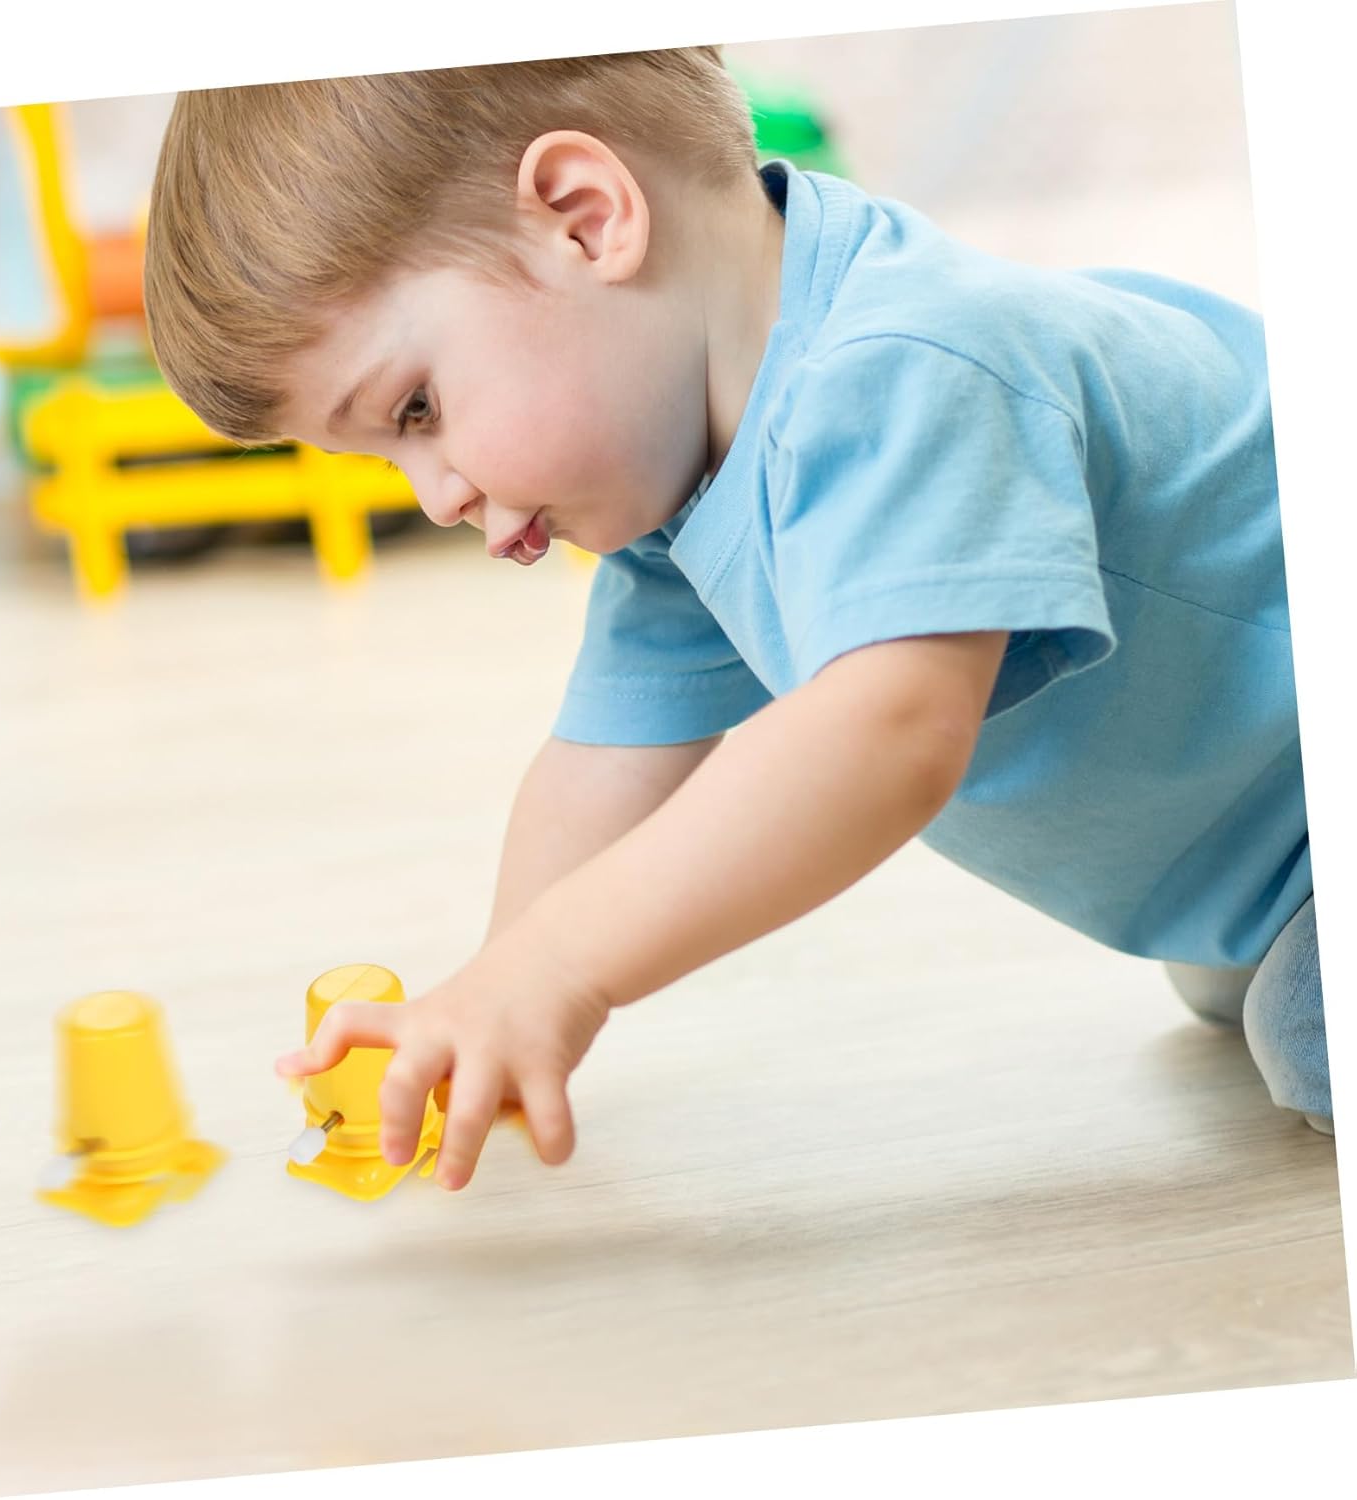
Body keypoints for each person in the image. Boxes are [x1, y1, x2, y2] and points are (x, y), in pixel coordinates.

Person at [142, 47, 1330, 1191]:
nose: (437, 498)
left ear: (584, 219)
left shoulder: (905, 366)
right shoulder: (683, 477)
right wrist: (498, 993)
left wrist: (565, 966)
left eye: (416, 410)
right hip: (1257, 853)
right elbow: (605, 759)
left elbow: (888, 733)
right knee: (1235, 983)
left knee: (1303, 1028)